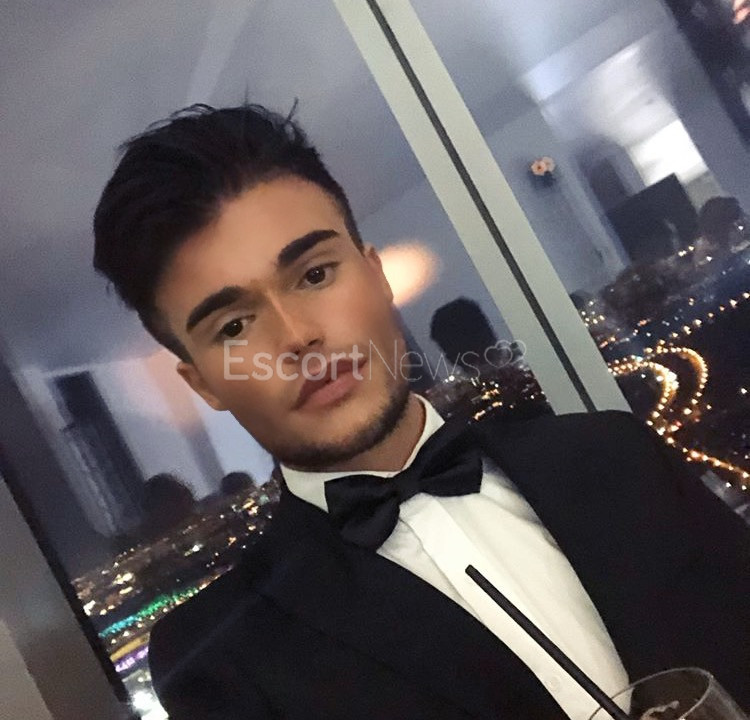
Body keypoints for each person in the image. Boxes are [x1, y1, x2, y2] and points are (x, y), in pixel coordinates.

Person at [93, 103, 750, 719]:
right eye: (234, 326)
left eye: (315, 275)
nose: (296, 337)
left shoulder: (613, 453)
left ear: (376, 275)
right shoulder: (223, 659)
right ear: (203, 383)